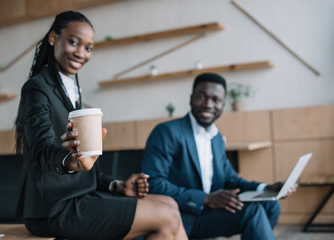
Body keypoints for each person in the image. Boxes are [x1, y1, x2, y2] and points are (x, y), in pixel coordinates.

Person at [15, 11, 188, 240]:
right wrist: (69, 161)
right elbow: (40, 149)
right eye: (74, 42)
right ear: (54, 38)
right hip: (53, 207)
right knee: (165, 215)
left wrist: (118, 186)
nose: (81, 53)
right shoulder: (37, 88)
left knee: (170, 205)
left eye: (88, 48)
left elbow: (87, 168)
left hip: (80, 196)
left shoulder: (70, 90)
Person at [142, 73, 297, 240]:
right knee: (251, 212)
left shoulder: (216, 138)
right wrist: (205, 199)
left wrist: (265, 189)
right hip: (181, 215)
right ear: (191, 98)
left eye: (216, 100)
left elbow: (231, 180)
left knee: (271, 205)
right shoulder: (167, 132)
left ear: (223, 104)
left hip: (208, 213)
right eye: (202, 97)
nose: (209, 104)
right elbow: (154, 183)